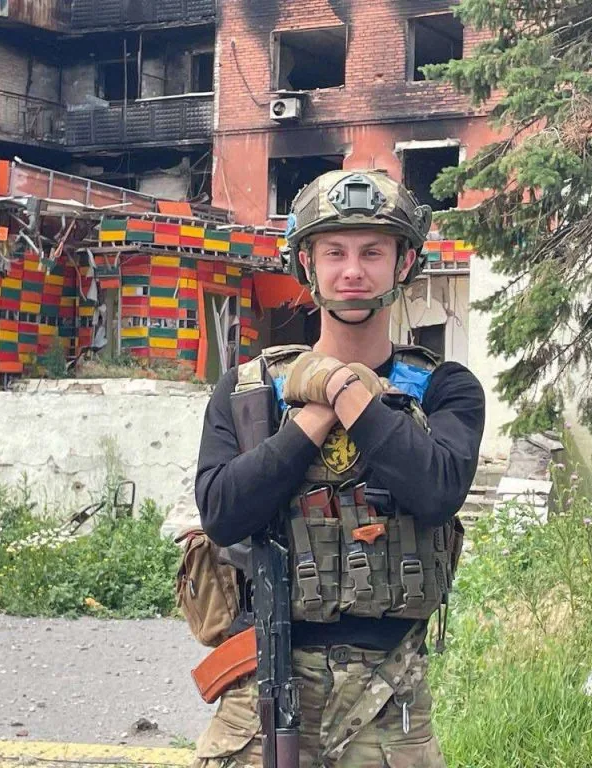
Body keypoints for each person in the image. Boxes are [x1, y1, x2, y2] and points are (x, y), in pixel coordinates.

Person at [191, 170, 486, 767]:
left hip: (388, 698)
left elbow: (437, 491)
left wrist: (343, 390)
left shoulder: (444, 389)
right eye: (335, 252)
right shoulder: (249, 392)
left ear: (404, 263)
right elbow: (222, 514)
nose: (353, 271)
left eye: (372, 252)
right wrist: (312, 415)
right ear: (307, 263)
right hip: (267, 689)